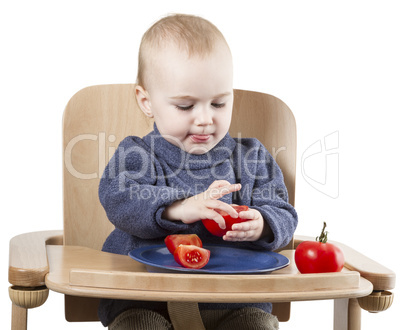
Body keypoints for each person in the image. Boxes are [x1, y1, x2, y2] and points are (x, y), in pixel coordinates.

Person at [98, 13, 298, 330]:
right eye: (186, 106)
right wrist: (179, 207)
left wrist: (263, 224)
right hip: (143, 301)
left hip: (236, 304)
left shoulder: (252, 157)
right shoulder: (137, 153)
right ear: (146, 101)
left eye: (218, 103)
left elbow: (283, 212)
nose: (205, 119)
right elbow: (118, 196)